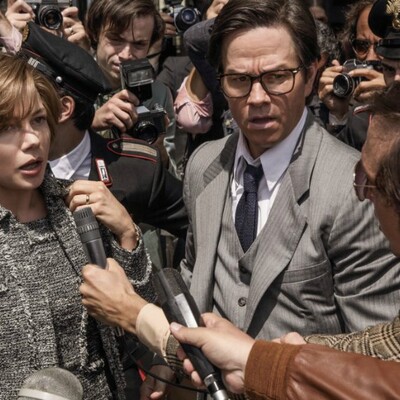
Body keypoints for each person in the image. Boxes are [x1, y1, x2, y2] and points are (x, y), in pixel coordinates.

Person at [79, 0, 400, 372]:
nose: (258, 98)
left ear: (311, 75)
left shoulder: (356, 189)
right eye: (239, 80)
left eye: (277, 77)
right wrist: (170, 366)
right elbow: (194, 285)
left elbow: (375, 367)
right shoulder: (204, 165)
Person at [0, 52, 154, 399]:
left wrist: (127, 235)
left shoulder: (80, 209)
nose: (32, 139)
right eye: (8, 126)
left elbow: (137, 320)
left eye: (39, 120)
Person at [85, 0, 180, 177]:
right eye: (116, 40)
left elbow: (174, 178)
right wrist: (91, 123)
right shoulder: (69, 83)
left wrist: (158, 149)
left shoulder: (158, 93)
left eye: (139, 45)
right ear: (95, 33)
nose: (126, 54)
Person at [316, 0, 386, 150]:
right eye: (362, 46)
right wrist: (338, 115)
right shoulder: (350, 102)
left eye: (383, 46)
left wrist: (391, 100)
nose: (370, 57)